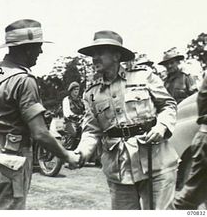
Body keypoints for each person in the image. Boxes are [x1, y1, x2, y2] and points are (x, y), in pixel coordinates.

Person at [0, 19, 80, 210]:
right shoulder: (24, 80)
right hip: (10, 161)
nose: (40, 52)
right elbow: (40, 133)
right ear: (27, 49)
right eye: (38, 47)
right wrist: (67, 156)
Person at [73, 30, 179, 209]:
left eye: (100, 53)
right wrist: (81, 152)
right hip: (119, 170)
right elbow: (91, 130)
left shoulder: (143, 76)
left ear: (116, 55)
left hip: (156, 162)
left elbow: (168, 105)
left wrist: (161, 127)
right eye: (93, 54)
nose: (95, 58)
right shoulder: (91, 93)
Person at [169, 75, 207, 209]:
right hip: (201, 129)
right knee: (190, 195)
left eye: (172, 62)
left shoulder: (186, 78)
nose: (170, 66)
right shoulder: (168, 81)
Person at [62, 81, 85, 148]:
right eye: (74, 89)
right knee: (74, 132)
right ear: (71, 90)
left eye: (77, 89)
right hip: (70, 121)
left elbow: (86, 109)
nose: (76, 91)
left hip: (81, 120)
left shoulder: (81, 100)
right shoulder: (66, 100)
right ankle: (69, 148)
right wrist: (77, 116)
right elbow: (67, 113)